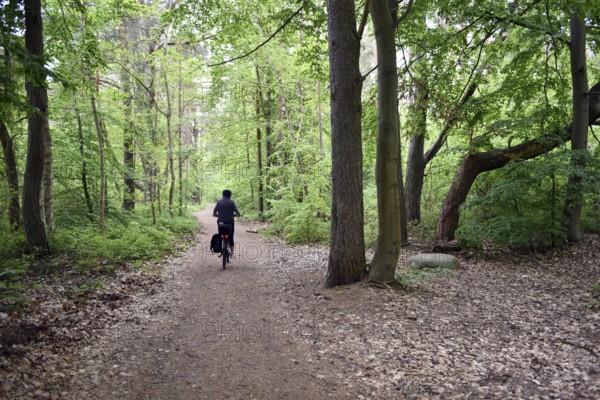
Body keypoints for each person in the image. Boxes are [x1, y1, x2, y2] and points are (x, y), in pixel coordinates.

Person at [213, 190, 241, 257]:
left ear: (223, 194)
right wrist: (238, 214)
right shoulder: (232, 202)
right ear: (230, 195)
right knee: (231, 237)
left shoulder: (219, 202)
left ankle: (219, 248)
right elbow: (236, 211)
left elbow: (214, 211)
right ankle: (232, 253)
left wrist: (216, 215)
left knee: (220, 235)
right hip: (230, 222)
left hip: (220, 222)